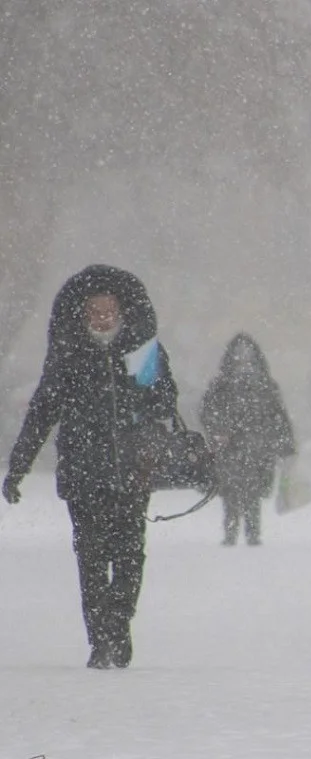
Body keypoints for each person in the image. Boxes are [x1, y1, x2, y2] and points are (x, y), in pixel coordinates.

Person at [3, 265, 179, 669]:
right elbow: (42, 413)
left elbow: (165, 400)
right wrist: (19, 466)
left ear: (122, 311)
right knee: (92, 558)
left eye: (109, 309)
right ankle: (101, 639)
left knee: (131, 557)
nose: (102, 316)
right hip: (84, 474)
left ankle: (119, 621)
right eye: (94, 310)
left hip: (134, 473)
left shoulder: (142, 352)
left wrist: (144, 416)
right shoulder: (68, 357)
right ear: (82, 315)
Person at [200, 333, 296, 547]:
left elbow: (277, 415)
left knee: (252, 492)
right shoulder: (221, 386)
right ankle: (232, 530)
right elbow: (208, 412)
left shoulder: (265, 386)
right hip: (231, 448)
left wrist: (285, 445)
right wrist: (218, 431)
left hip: (257, 448)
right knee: (231, 492)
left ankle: (252, 532)